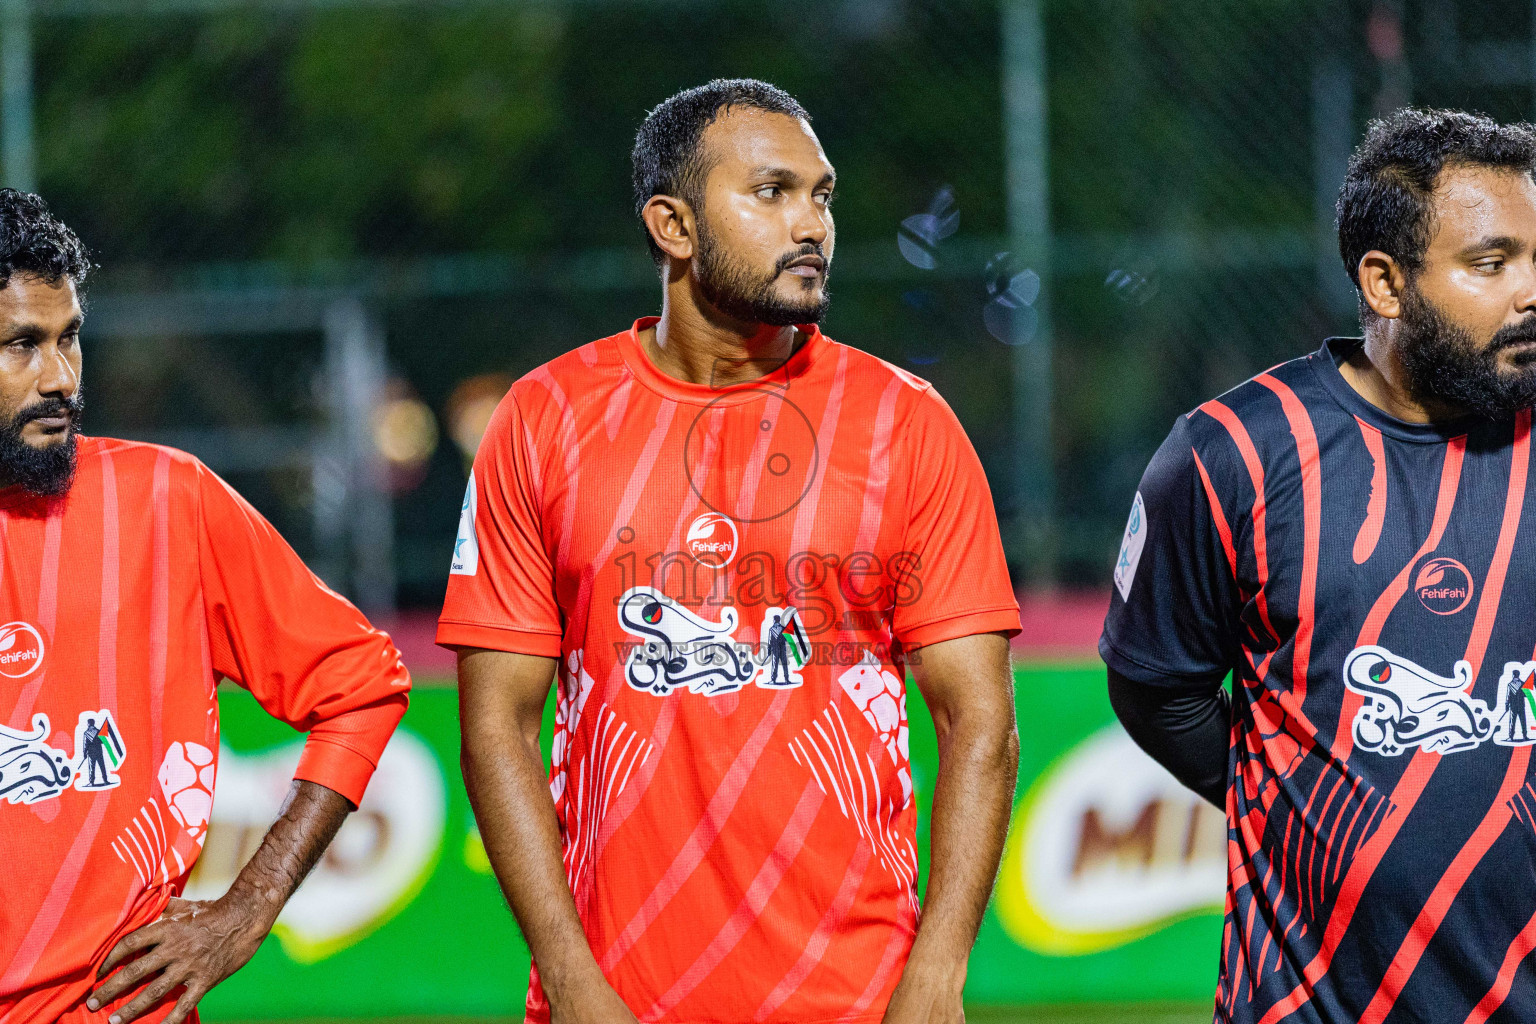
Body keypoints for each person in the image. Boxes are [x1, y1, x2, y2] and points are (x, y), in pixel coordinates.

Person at [440, 78, 1020, 1024]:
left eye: (822, 195)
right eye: (771, 192)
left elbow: (979, 723)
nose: (811, 225)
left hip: (860, 1000)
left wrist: (937, 975)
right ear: (672, 224)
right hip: (617, 997)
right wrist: (576, 984)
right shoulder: (542, 421)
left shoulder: (905, 426)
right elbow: (495, 724)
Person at [1102, 108, 1536, 1023]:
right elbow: (1156, 688)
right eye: (1493, 266)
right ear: (1385, 283)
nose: (1529, 292)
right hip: (1305, 1004)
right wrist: (1294, 796)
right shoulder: (1232, 455)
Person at [0, 189, 412, 1024]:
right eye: (22, 346)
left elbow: (361, 683)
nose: (61, 378)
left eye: (70, 338)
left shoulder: (165, 503)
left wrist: (249, 906)